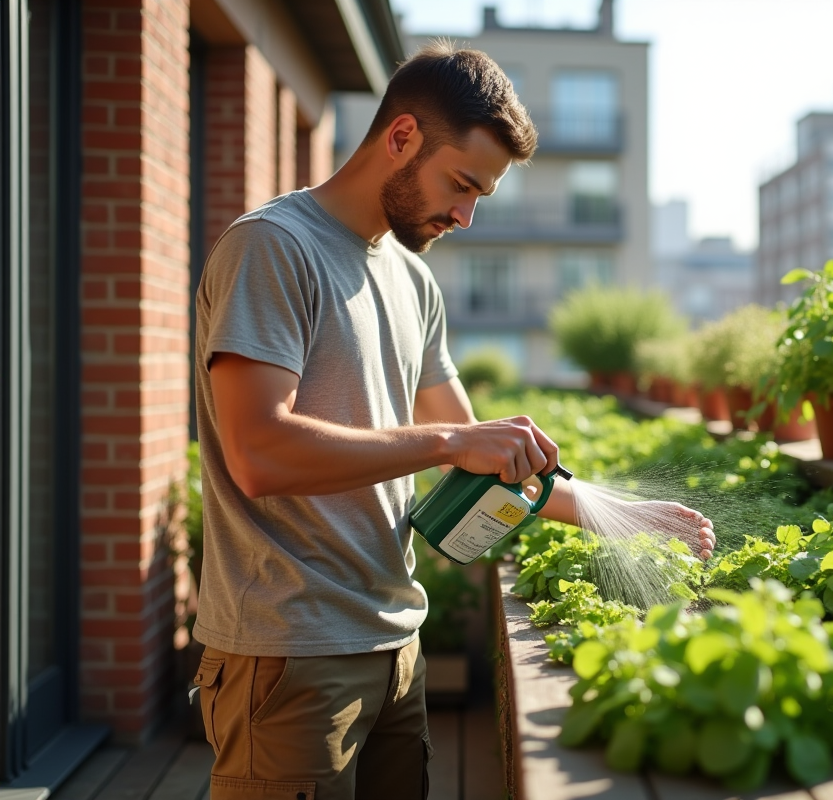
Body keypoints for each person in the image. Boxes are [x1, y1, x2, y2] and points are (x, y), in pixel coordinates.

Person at [191, 42, 715, 800]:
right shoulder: (273, 248)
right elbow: (260, 453)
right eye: (461, 184)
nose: (466, 216)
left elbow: (480, 461)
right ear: (400, 137)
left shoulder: (411, 280)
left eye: (482, 197)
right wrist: (447, 440)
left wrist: (622, 517)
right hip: (288, 657)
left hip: (396, 646)